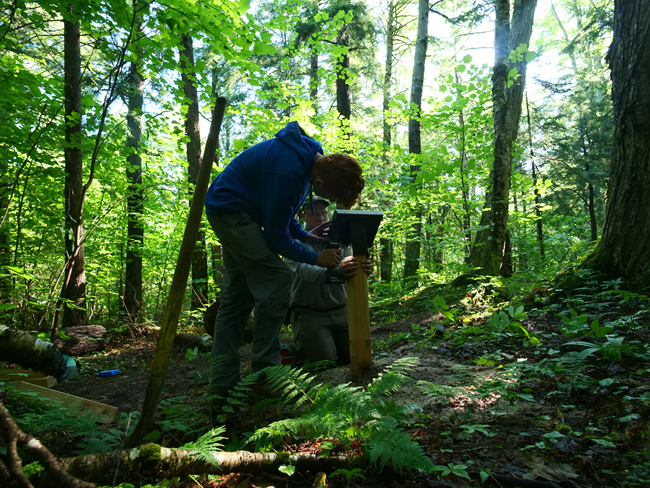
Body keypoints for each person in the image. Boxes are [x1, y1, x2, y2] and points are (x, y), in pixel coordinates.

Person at [204, 121, 364, 402]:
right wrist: (317, 258)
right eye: (333, 197)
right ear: (321, 182)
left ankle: (222, 385)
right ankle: (265, 375)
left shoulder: (310, 164)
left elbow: (281, 214)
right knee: (277, 279)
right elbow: (276, 239)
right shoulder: (288, 169)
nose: (331, 201)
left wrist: (305, 235)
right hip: (231, 211)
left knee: (236, 299)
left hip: (246, 214)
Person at [285, 196, 372, 365]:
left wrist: (360, 269)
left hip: (341, 309)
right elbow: (307, 271)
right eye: (315, 214)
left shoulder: (340, 240)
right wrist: (339, 272)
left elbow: (352, 266)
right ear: (303, 216)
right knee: (324, 364)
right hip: (309, 313)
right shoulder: (292, 243)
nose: (321, 218)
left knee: (358, 355)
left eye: (324, 213)